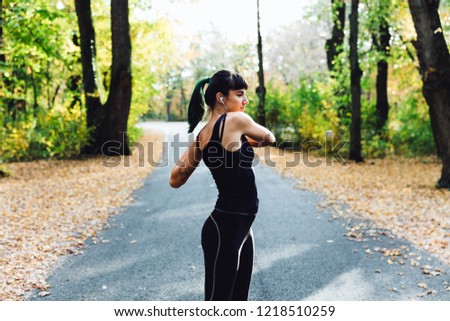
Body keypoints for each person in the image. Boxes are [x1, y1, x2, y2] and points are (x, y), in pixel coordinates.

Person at [169, 70, 276, 301]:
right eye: (239, 95)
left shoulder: (201, 136)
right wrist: (248, 139)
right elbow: (269, 137)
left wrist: (193, 162)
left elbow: (175, 179)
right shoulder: (237, 120)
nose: (245, 101)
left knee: (236, 302)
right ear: (221, 98)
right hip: (226, 227)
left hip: (240, 227)